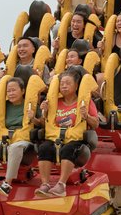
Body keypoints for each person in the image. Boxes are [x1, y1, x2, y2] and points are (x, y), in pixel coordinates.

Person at [36, 67, 98, 198]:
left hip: (75, 140)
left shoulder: (86, 102)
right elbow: (44, 123)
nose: (64, 86)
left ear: (76, 86)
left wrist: (86, 116)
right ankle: (45, 184)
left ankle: (61, 185)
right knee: (44, 148)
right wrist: (44, 112)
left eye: (68, 83)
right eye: (62, 84)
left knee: (68, 149)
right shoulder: (54, 103)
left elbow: (96, 124)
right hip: (55, 137)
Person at [0, 77, 37, 197]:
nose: (10, 93)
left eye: (14, 90)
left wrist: (34, 118)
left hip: (23, 140)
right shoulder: (2, 106)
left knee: (15, 147)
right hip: (4, 138)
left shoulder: (30, 104)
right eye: (8, 91)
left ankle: (7, 184)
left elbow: (41, 122)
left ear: (23, 91)